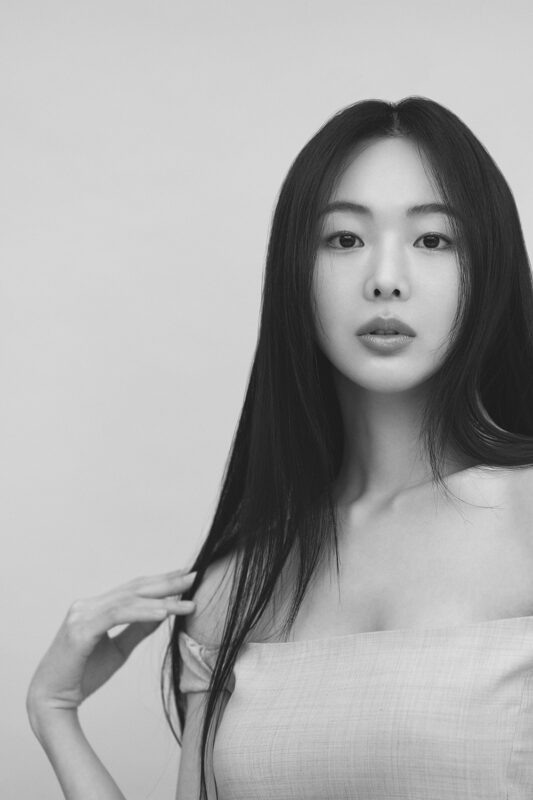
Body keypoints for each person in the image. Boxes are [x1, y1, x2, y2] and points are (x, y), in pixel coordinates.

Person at [27, 97, 533, 800]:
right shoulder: (233, 586)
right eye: (344, 239)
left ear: (489, 270)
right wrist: (54, 712)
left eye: (433, 240)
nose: (386, 278)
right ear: (295, 273)